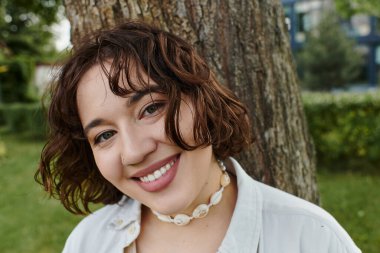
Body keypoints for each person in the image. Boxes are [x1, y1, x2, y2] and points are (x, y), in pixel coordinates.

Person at [36, 21, 361, 253]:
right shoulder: (88, 243)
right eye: (105, 134)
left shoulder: (312, 238)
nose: (133, 152)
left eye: (150, 109)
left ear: (202, 100)